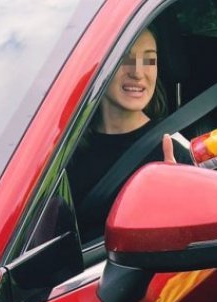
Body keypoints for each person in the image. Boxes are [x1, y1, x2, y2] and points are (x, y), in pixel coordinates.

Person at [69, 27, 190, 244]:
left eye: (150, 60)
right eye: (125, 58)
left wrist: (177, 204)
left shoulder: (172, 150)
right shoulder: (66, 149)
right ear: (98, 65)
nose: (138, 72)